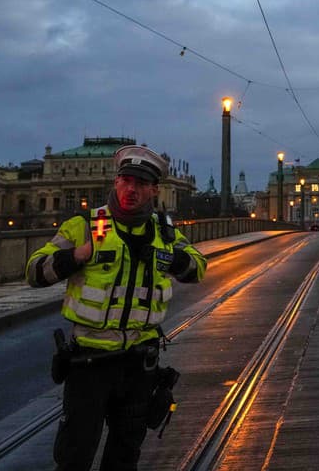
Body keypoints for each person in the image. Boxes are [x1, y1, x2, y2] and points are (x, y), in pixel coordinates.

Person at [26, 144, 206, 471]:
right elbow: (35, 271)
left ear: (153, 189)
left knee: (124, 458)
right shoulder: (84, 226)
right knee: (74, 456)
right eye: (125, 180)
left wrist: (171, 259)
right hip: (89, 363)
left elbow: (197, 268)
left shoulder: (163, 233)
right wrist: (77, 256)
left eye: (140, 184)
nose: (131, 189)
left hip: (139, 365)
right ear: (116, 183)